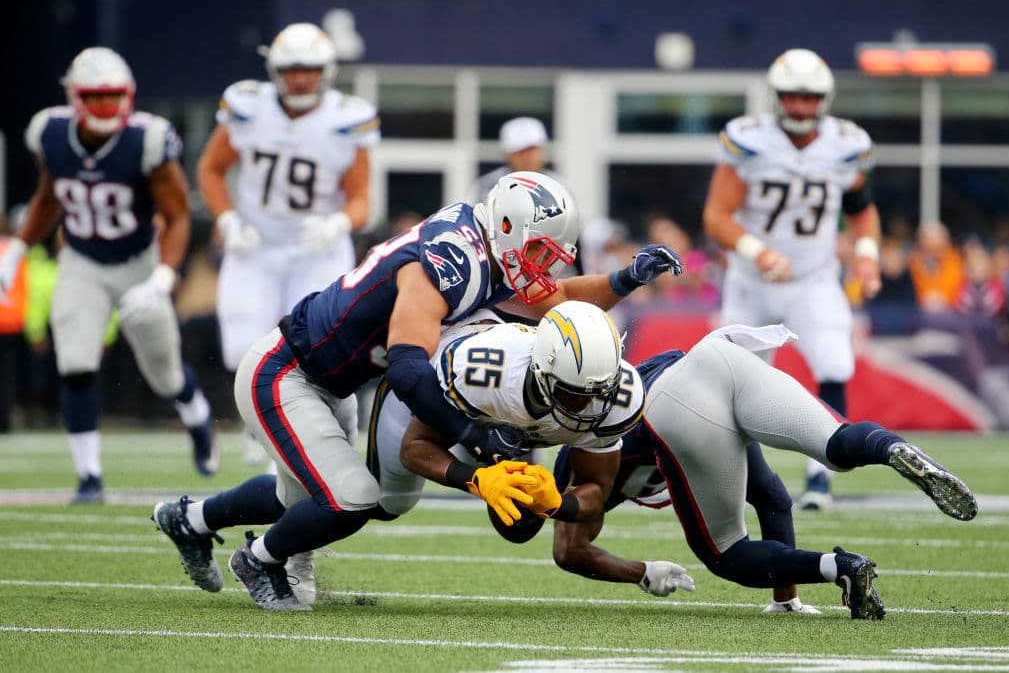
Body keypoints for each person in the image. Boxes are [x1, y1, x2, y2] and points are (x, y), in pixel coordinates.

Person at [151, 172, 682, 610]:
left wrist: (627, 277)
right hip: (287, 371)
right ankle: (257, 561)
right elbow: (407, 369)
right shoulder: (451, 261)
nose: (544, 266)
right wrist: (475, 438)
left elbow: (561, 299)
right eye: (540, 252)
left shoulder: (492, 251)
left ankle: (191, 519)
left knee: (310, 497)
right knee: (350, 498)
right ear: (506, 227)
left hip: (332, 382)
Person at [371, 311, 818, 613]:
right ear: (545, 374)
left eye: (599, 391)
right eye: (575, 394)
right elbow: (415, 447)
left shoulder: (614, 396)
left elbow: (595, 495)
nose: (590, 405)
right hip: (436, 375)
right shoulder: (484, 374)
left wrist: (557, 504)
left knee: (520, 514)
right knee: (383, 501)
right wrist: (477, 479)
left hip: (509, 419)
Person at [542, 325, 977, 620]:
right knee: (832, 446)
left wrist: (641, 572)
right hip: (717, 355)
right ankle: (890, 447)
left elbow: (569, 551)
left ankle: (841, 567)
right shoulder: (604, 398)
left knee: (727, 554)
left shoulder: (578, 454)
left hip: (673, 404)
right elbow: (770, 497)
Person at [0, 47, 217, 502]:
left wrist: (162, 277)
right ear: (75, 97)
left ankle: (196, 415)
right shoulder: (50, 133)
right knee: (75, 362)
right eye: (95, 96)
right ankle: (89, 477)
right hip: (81, 260)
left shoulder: (148, 140)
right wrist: (17, 249)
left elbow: (177, 215)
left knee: (164, 374)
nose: (105, 105)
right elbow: (49, 197)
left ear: (129, 95)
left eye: (113, 95)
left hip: (139, 261)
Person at [702, 48, 884, 510]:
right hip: (751, 281)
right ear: (776, 96)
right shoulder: (750, 141)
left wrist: (866, 256)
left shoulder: (846, 145)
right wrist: (757, 251)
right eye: (791, 97)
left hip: (812, 278)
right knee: (736, 383)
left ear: (824, 99)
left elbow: (862, 212)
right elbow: (716, 217)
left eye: (809, 98)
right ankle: (743, 481)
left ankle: (822, 477)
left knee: (835, 364)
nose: (800, 107)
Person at [197, 22, 380, 466]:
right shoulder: (248, 107)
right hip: (255, 244)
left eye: (308, 69)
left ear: (326, 70)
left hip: (316, 247)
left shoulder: (346, 118)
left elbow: (360, 197)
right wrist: (227, 218)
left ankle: (317, 430)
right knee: (240, 346)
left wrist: (339, 224)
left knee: (319, 346)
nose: (299, 78)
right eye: (291, 69)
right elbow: (211, 169)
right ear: (275, 70)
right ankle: (257, 422)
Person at [467, 117, 563, 205]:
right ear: (507, 154)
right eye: (520, 152)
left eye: (532, 150)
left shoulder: (560, 187)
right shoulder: (486, 187)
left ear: (542, 150)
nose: (527, 158)